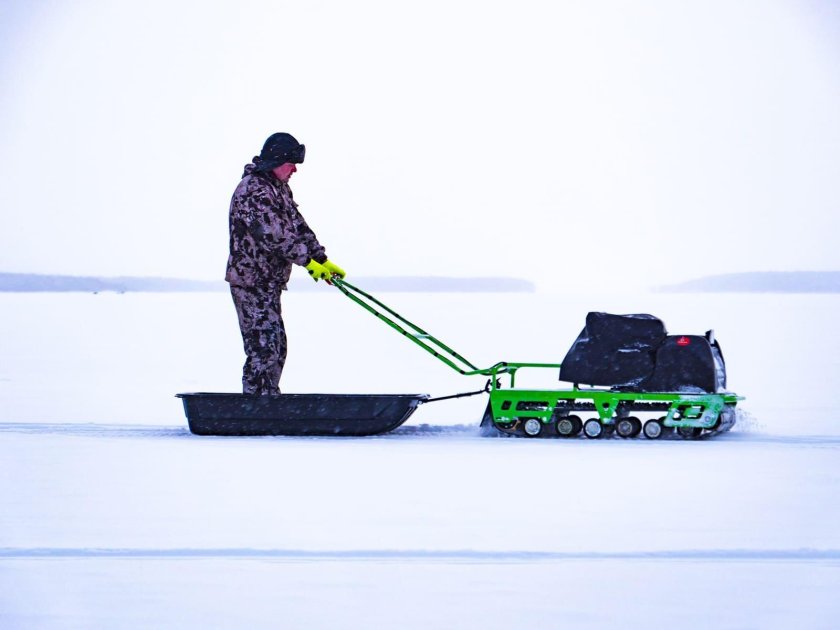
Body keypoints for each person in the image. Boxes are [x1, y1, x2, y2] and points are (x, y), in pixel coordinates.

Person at [225, 132, 345, 395]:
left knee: (276, 346)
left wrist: (321, 258)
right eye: (291, 164)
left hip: (269, 283)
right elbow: (274, 236)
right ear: (276, 161)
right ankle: (255, 406)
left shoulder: (277, 189)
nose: (294, 170)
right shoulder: (253, 190)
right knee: (263, 348)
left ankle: (267, 401)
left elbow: (297, 227)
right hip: (251, 282)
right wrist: (307, 262)